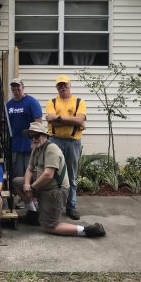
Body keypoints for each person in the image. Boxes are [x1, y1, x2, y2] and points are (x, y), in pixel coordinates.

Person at [12, 122, 105, 238]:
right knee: (18, 182)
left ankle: (87, 230)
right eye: (31, 136)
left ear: (45, 136)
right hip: (42, 187)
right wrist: (26, 185)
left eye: (36, 136)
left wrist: (31, 187)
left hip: (55, 191)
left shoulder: (51, 149)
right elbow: (29, 169)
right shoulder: (36, 149)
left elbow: (48, 175)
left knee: (50, 227)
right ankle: (33, 214)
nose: (33, 139)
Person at [45, 75, 87, 221]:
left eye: (65, 85)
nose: (62, 87)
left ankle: (71, 206)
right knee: (53, 174)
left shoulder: (79, 102)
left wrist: (60, 119)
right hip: (54, 141)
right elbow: (50, 119)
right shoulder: (52, 102)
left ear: (70, 85)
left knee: (71, 175)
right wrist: (73, 122)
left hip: (73, 142)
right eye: (59, 85)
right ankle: (54, 206)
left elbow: (80, 119)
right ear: (56, 87)